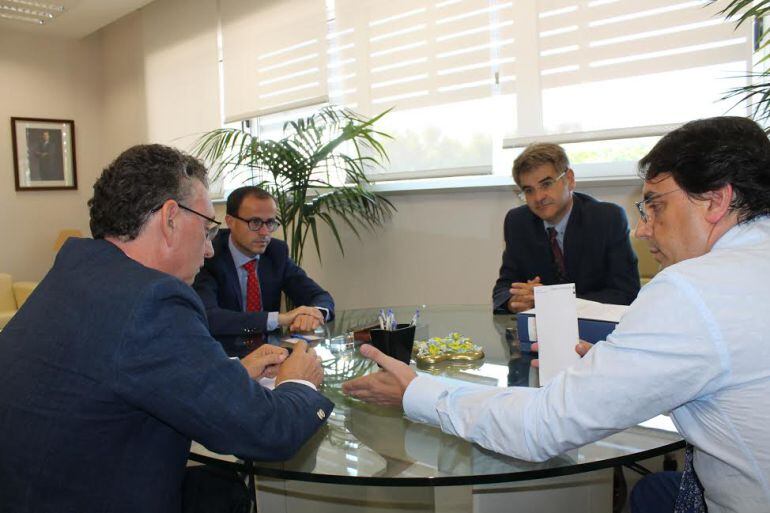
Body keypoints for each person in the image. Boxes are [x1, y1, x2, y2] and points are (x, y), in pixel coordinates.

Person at [344, 117, 770, 512]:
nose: (643, 228)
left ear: (716, 200)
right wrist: (621, 366)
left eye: (655, 205)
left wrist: (416, 392)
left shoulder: (690, 291)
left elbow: (542, 427)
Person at [0, 144, 333, 513]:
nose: (209, 250)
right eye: (207, 228)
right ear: (171, 217)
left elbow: (118, 375)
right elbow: (268, 432)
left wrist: (231, 374)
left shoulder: (76, 271)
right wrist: (298, 381)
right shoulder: (152, 300)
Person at [492, 143, 640, 313]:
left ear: (569, 179)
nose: (538, 197)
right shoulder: (518, 222)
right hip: (542, 332)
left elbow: (626, 293)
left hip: (596, 331)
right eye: (529, 190)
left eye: (546, 184)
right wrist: (515, 301)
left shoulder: (607, 218)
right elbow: (503, 290)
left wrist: (550, 300)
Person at [193, 186, 335, 338]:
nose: (265, 233)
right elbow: (209, 317)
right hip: (224, 352)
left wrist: (314, 314)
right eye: (255, 222)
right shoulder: (208, 254)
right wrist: (280, 319)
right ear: (230, 222)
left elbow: (319, 296)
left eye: (270, 223)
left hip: (272, 350)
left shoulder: (276, 252)